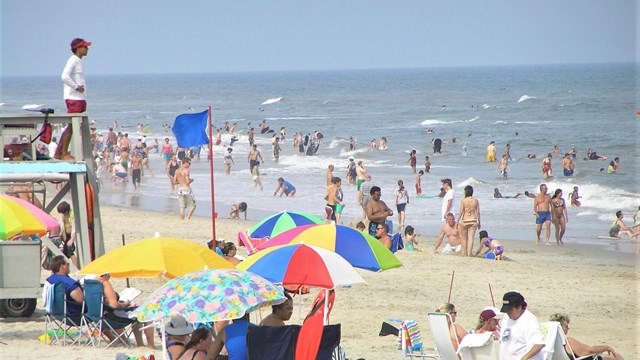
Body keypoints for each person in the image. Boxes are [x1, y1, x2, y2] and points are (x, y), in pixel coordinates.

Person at [86, 273, 154, 348]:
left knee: (125, 311)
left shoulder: (89, 284)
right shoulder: (104, 283)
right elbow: (114, 305)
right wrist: (125, 304)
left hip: (96, 317)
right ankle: (148, 345)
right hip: (111, 318)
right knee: (145, 312)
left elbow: (103, 302)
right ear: (105, 274)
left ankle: (124, 340)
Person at [57, 38, 91, 161]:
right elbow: (64, 76)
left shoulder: (79, 61)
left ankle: (61, 152)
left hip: (80, 98)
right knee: (72, 126)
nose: (87, 49)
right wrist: (76, 87)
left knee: (75, 127)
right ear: (78, 48)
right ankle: (63, 153)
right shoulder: (73, 60)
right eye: (85, 47)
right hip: (74, 98)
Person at [549, 313, 625, 360]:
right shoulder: (567, 342)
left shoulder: (550, 342)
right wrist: (607, 347)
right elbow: (589, 351)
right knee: (616, 357)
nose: (569, 327)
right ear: (559, 328)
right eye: (566, 326)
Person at [498, 291, 545, 360]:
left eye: (510, 310)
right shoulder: (506, 317)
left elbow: (538, 344)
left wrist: (524, 358)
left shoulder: (529, 321)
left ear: (519, 307)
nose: (507, 313)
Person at [45, 255, 83, 322]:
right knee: (102, 310)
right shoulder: (69, 283)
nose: (69, 266)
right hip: (73, 316)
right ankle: (105, 332)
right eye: (67, 264)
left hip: (56, 314)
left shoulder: (49, 280)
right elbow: (81, 300)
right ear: (62, 266)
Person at [457, 185, 480, 256]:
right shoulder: (476, 201)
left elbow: (461, 212)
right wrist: (479, 222)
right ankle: (469, 253)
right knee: (471, 238)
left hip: (465, 220)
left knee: (464, 239)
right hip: (473, 219)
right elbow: (478, 212)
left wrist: (457, 221)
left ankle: (464, 253)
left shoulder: (463, 201)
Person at [57, 201, 78, 268]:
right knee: (65, 252)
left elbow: (75, 228)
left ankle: (76, 267)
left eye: (62, 212)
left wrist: (72, 239)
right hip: (66, 234)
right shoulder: (64, 215)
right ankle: (62, 268)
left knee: (70, 250)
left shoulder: (72, 215)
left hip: (72, 235)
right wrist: (61, 233)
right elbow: (64, 224)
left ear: (66, 211)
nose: (62, 214)